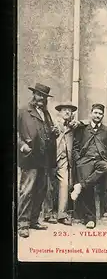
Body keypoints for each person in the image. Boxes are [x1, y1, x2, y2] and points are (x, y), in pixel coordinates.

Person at [17, 83, 58, 238]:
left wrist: (54, 132)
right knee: (27, 191)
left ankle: (34, 220)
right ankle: (23, 224)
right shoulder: (23, 111)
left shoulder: (46, 114)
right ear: (34, 95)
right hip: (30, 157)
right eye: (39, 95)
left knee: (40, 190)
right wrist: (22, 146)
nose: (41, 99)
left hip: (44, 158)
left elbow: (48, 132)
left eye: (44, 97)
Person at [71, 104, 107, 229]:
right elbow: (75, 146)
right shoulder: (82, 129)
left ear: (103, 115)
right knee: (89, 187)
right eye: (95, 113)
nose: (98, 116)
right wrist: (78, 160)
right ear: (91, 113)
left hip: (100, 161)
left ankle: (80, 185)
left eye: (100, 114)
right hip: (85, 161)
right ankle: (90, 219)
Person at [43, 101, 79, 226]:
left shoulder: (72, 126)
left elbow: (86, 123)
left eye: (70, 111)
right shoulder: (53, 123)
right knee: (49, 186)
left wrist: (78, 123)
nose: (67, 112)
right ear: (60, 112)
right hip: (52, 158)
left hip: (65, 159)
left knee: (64, 184)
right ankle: (47, 214)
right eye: (65, 110)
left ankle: (62, 215)